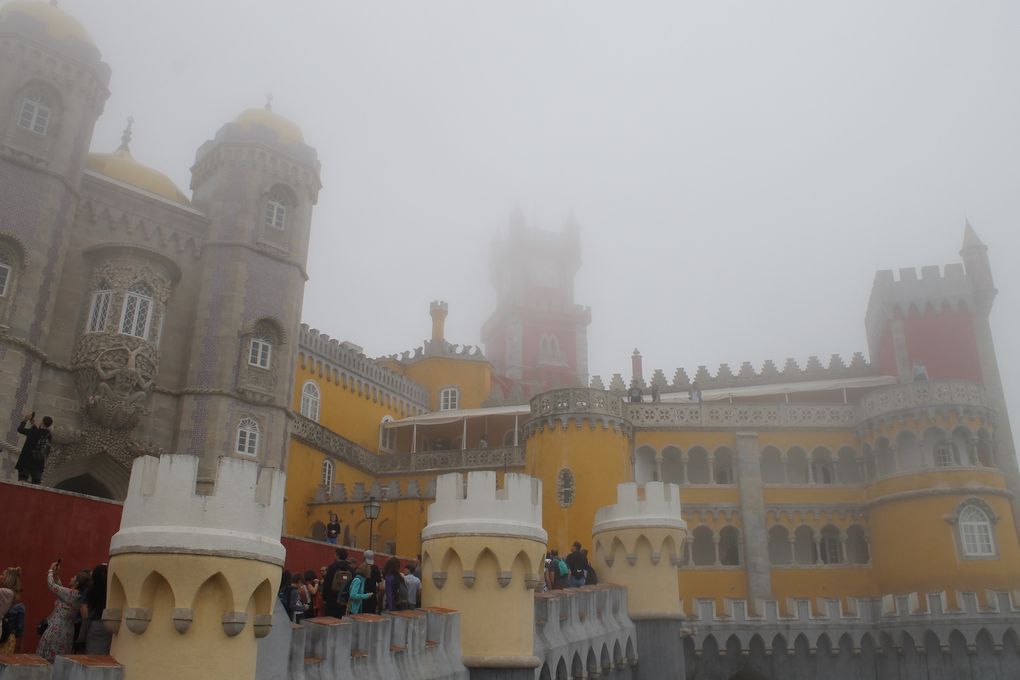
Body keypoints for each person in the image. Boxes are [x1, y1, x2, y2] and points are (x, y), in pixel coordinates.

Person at [37, 562, 89, 662]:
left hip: (57, 630)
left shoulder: (71, 594)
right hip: (67, 631)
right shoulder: (76, 595)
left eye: (74, 577)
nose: (71, 578)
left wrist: (50, 571)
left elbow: (52, 586)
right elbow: (60, 588)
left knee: (49, 660)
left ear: (77, 583)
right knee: (60, 660)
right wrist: (56, 574)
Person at [14, 413, 53, 484]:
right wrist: (33, 424)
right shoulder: (49, 435)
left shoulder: (33, 431)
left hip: (26, 461)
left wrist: (25, 420)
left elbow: (20, 429)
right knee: (36, 485)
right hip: (39, 463)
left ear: (42, 422)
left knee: (22, 482)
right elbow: (39, 434)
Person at [84, 564, 111, 655]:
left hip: (95, 623)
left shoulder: (91, 590)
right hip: (110, 623)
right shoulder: (111, 590)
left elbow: (86, 611)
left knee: (93, 654)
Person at [322, 548, 354, 618]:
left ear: (337, 555)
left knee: (330, 621)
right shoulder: (350, 569)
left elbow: (326, 584)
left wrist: (324, 598)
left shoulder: (332, 567)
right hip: (344, 600)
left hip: (332, 600)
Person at [1, 567, 23, 654]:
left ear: (8, 578)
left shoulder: (7, 592)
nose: (1, 576)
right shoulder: (8, 592)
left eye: (3, 575)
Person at [360, 550, 382, 614]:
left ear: (364, 557)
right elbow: (380, 586)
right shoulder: (376, 568)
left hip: (362, 596)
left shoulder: (361, 568)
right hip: (372, 597)